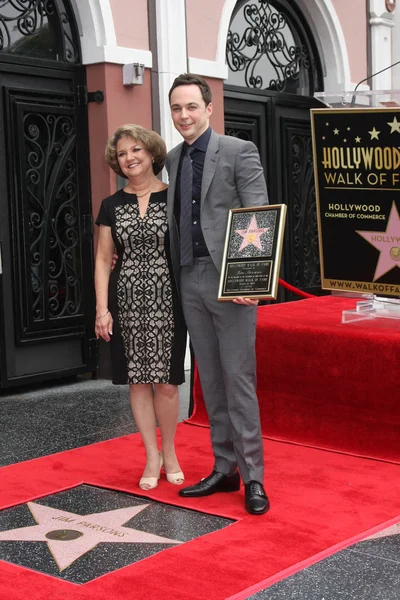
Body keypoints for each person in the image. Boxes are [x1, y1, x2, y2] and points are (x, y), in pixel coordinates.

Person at [165, 74, 270, 515]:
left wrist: (251, 280)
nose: (184, 115)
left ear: (209, 109)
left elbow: (257, 214)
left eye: (191, 106)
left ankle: (254, 479)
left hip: (231, 283)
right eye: (176, 108)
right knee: (209, 380)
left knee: (238, 380)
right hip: (189, 280)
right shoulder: (172, 158)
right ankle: (224, 468)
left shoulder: (237, 151)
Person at [95, 124, 186, 491]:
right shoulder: (111, 206)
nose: (129, 158)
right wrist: (102, 310)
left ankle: (172, 452)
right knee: (137, 382)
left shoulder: (174, 197)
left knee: (165, 382)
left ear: (151, 153)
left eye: (135, 150)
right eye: (121, 154)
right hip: (127, 302)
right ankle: (151, 454)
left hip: (169, 299)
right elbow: (103, 259)